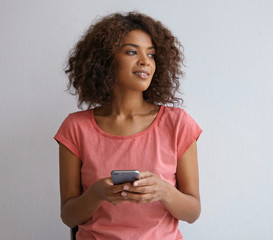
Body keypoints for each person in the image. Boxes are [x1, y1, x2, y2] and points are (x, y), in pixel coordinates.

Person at [54, 12, 202, 240]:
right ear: (105, 59)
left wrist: (164, 191)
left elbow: (193, 212)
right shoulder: (75, 128)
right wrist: (97, 193)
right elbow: (68, 217)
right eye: (132, 52)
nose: (145, 61)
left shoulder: (177, 123)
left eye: (151, 54)